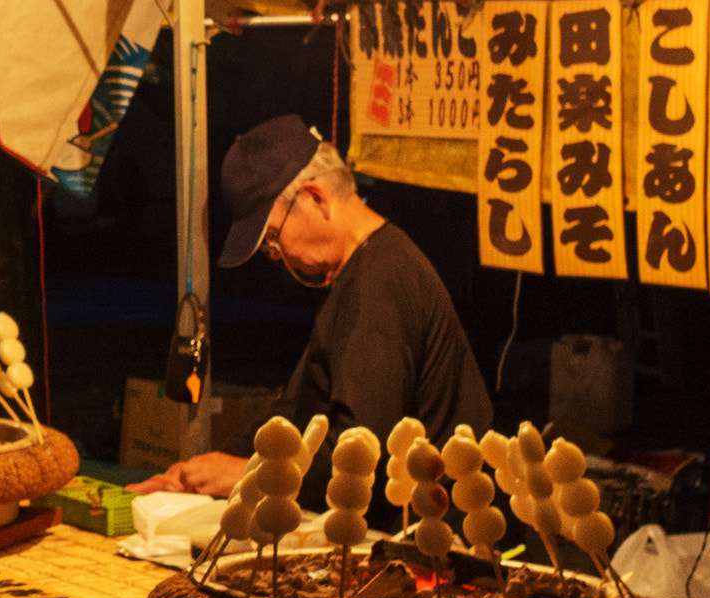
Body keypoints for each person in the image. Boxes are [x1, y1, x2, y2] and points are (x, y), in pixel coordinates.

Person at [132, 114, 491, 502]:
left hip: (428, 533)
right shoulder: (358, 273)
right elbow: (297, 408)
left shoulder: (381, 282)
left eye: (272, 238)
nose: (276, 255)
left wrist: (248, 472)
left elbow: (361, 450)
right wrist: (202, 473)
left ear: (315, 198)